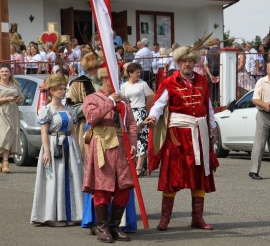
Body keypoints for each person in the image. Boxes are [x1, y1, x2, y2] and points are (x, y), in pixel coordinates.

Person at [145, 45, 219, 231]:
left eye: (190, 60)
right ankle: (164, 219)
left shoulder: (203, 81)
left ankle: (197, 218)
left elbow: (207, 105)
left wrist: (212, 126)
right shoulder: (169, 82)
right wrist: (153, 116)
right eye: (184, 61)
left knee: (200, 176)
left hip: (199, 134)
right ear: (178, 63)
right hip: (177, 136)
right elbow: (158, 104)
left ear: (195, 62)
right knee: (172, 177)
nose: (187, 63)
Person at [82, 64, 138, 243]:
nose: (117, 82)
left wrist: (134, 144)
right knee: (102, 187)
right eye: (113, 79)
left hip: (121, 147)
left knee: (124, 188)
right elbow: (92, 118)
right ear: (105, 79)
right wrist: (111, 102)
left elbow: (131, 124)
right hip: (102, 146)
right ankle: (102, 226)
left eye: (119, 79)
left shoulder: (125, 101)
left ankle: (114, 226)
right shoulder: (92, 98)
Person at [30, 72, 84, 227]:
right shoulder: (47, 109)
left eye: (64, 88)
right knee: (54, 179)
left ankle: (73, 214)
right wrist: (46, 151)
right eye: (60, 88)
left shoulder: (70, 110)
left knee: (72, 177)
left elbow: (73, 131)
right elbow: (44, 132)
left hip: (69, 145)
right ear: (52, 91)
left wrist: (79, 150)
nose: (63, 91)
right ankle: (52, 216)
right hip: (54, 145)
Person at [249, 61, 270, 180]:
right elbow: (255, 99)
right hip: (263, 115)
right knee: (259, 144)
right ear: (267, 70)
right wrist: (264, 105)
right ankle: (254, 171)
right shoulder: (261, 81)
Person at [0, 65, 24, 173]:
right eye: (2, 71)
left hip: (13, 112)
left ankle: (3, 161)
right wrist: (6, 99)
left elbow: (21, 99)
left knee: (10, 136)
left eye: (6, 71)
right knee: (4, 135)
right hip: (0, 113)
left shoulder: (15, 85)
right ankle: (5, 162)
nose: (4, 73)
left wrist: (18, 99)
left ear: (10, 73)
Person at [120, 63, 155, 177]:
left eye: (139, 72)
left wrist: (145, 109)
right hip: (129, 112)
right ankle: (133, 164)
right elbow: (122, 99)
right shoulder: (124, 86)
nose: (139, 74)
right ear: (130, 73)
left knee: (141, 139)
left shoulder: (143, 84)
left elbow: (150, 97)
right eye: (136, 73)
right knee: (131, 138)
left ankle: (139, 167)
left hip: (140, 111)